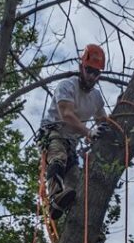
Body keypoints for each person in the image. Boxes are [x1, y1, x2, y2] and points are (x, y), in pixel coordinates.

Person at [41, 44, 108, 220]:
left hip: (72, 142)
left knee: (77, 182)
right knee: (58, 157)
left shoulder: (96, 98)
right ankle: (55, 197)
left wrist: (102, 132)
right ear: (81, 67)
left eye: (96, 72)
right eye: (89, 70)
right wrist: (88, 132)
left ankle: (81, 218)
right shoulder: (67, 86)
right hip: (54, 131)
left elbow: (103, 121)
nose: (92, 75)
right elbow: (67, 115)